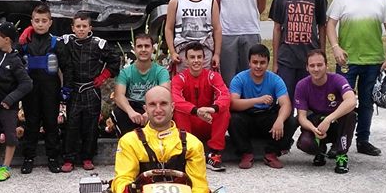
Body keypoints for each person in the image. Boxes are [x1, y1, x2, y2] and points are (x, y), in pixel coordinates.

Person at [110, 86, 211, 193]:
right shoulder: (130, 141)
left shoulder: (192, 143)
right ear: (145, 109)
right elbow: (121, 181)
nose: (158, 109)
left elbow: (200, 187)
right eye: (152, 104)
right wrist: (130, 190)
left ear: (172, 107)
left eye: (163, 104)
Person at [326, 0, 386, 157]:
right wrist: (335, 47)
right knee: (343, 103)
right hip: (347, 61)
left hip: (373, 61)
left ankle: (363, 140)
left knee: (367, 103)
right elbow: (331, 24)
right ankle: (339, 142)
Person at [59, 12, 122, 171]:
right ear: (73, 28)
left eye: (84, 26)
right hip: (73, 89)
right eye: (78, 26)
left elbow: (115, 60)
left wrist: (104, 76)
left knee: (91, 125)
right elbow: (45, 39)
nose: (81, 29)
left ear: (90, 28)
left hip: (91, 89)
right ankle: (69, 159)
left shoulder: (99, 44)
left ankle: (87, 157)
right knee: (71, 125)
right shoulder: (66, 42)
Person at [269, 0, 328, 98]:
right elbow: (277, 29)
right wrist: (275, 62)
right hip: (287, 59)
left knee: (310, 101)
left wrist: (322, 57)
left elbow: (322, 27)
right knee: (285, 101)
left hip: (310, 59)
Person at [228, 44, 296, 169]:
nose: (258, 66)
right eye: (255, 62)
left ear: (268, 63)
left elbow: (286, 104)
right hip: (247, 116)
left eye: (262, 63)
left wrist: (280, 120)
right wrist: (258, 100)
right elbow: (233, 104)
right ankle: (246, 153)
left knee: (291, 120)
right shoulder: (239, 79)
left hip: (267, 118)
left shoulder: (276, 80)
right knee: (232, 118)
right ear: (249, 63)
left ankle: (271, 153)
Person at [0, 21, 33, 182]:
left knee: (10, 136)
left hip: (8, 107)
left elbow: (26, 84)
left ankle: (6, 166)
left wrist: (10, 99)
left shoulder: (15, 60)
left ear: (7, 40)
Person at [171, 42, 231, 172]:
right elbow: (175, 99)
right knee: (178, 109)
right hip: (188, 124)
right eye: (192, 57)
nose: (196, 61)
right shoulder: (179, 78)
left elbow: (225, 96)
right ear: (186, 60)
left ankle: (214, 154)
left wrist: (212, 108)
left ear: (204, 59)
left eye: (199, 57)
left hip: (208, 120)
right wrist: (196, 111)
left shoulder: (213, 76)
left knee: (223, 110)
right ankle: (187, 152)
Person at [294, 50, 357, 173]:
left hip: (336, 124)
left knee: (350, 115)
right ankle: (320, 150)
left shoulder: (338, 79)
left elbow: (351, 101)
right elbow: (301, 117)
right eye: (312, 66)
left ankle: (341, 155)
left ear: (326, 66)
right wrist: (314, 130)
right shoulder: (302, 85)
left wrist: (329, 119)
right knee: (304, 143)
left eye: (320, 65)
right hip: (317, 124)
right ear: (307, 68)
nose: (316, 69)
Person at [18, 3, 63, 174]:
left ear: (50, 22)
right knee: (31, 123)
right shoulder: (24, 43)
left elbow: (67, 67)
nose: (40, 24)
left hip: (51, 89)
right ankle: (28, 158)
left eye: (44, 21)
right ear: (31, 22)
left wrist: (66, 89)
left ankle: (53, 158)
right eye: (37, 21)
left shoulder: (56, 43)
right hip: (30, 90)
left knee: (51, 124)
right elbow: (14, 60)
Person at [165, 0, 221, 72]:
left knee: (206, 84)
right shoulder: (175, 2)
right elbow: (168, 28)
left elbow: (217, 29)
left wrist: (217, 54)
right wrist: (172, 52)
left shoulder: (211, 2)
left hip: (205, 51)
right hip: (183, 51)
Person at [112, 34, 170, 137]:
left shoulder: (161, 71)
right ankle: (127, 146)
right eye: (139, 46)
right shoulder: (125, 72)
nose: (143, 49)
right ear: (134, 49)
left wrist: (149, 112)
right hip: (133, 109)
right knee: (118, 112)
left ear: (153, 49)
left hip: (154, 107)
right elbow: (118, 96)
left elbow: (165, 93)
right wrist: (131, 112)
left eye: (147, 46)